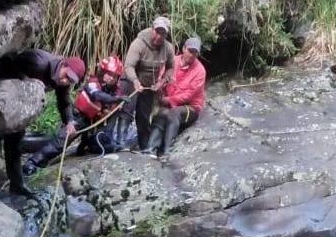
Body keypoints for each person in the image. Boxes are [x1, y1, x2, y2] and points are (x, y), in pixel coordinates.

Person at [0, 49, 85, 197]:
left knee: (15, 144)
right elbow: (7, 62)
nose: (65, 81)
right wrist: (25, 79)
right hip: (0, 95)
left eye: (70, 81)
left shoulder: (62, 79)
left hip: (20, 104)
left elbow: (64, 102)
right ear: (63, 65)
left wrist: (69, 122)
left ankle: (17, 185)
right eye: (66, 76)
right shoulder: (39, 63)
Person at [24, 55, 132, 171]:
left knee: (99, 141)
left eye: (115, 76)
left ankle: (84, 147)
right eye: (109, 74)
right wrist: (115, 99)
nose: (111, 78)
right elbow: (96, 95)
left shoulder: (115, 91)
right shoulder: (93, 82)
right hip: (78, 117)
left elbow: (111, 111)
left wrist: (116, 102)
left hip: (93, 122)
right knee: (61, 143)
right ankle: (33, 162)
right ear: (102, 71)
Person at [143, 36, 205, 160]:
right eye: (190, 50)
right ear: (184, 48)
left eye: (195, 52)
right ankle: (150, 149)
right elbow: (162, 76)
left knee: (174, 113)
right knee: (161, 114)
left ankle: (166, 151)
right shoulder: (173, 61)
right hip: (169, 101)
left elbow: (189, 95)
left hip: (190, 107)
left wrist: (169, 100)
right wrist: (159, 87)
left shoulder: (200, 71)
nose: (192, 55)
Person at [123, 16, 176, 152]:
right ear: (152, 29)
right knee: (126, 111)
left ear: (166, 34)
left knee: (143, 116)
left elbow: (170, 68)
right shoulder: (139, 43)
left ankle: (144, 146)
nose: (159, 35)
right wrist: (135, 81)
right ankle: (120, 144)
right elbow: (128, 66)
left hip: (149, 86)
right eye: (157, 31)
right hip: (131, 81)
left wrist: (162, 82)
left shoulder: (168, 48)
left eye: (163, 33)